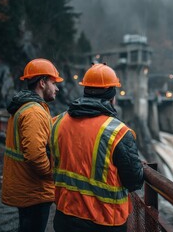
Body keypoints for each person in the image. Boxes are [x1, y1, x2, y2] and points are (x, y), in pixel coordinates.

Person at [50, 63, 144, 232]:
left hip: (65, 216)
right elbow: (135, 180)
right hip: (105, 222)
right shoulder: (118, 132)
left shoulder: (57, 122)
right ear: (111, 96)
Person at [1, 58, 63, 232]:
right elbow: (35, 155)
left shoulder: (25, 108)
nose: (57, 88)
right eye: (53, 82)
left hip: (25, 187)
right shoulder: (34, 112)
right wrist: (51, 174)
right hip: (34, 191)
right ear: (42, 83)